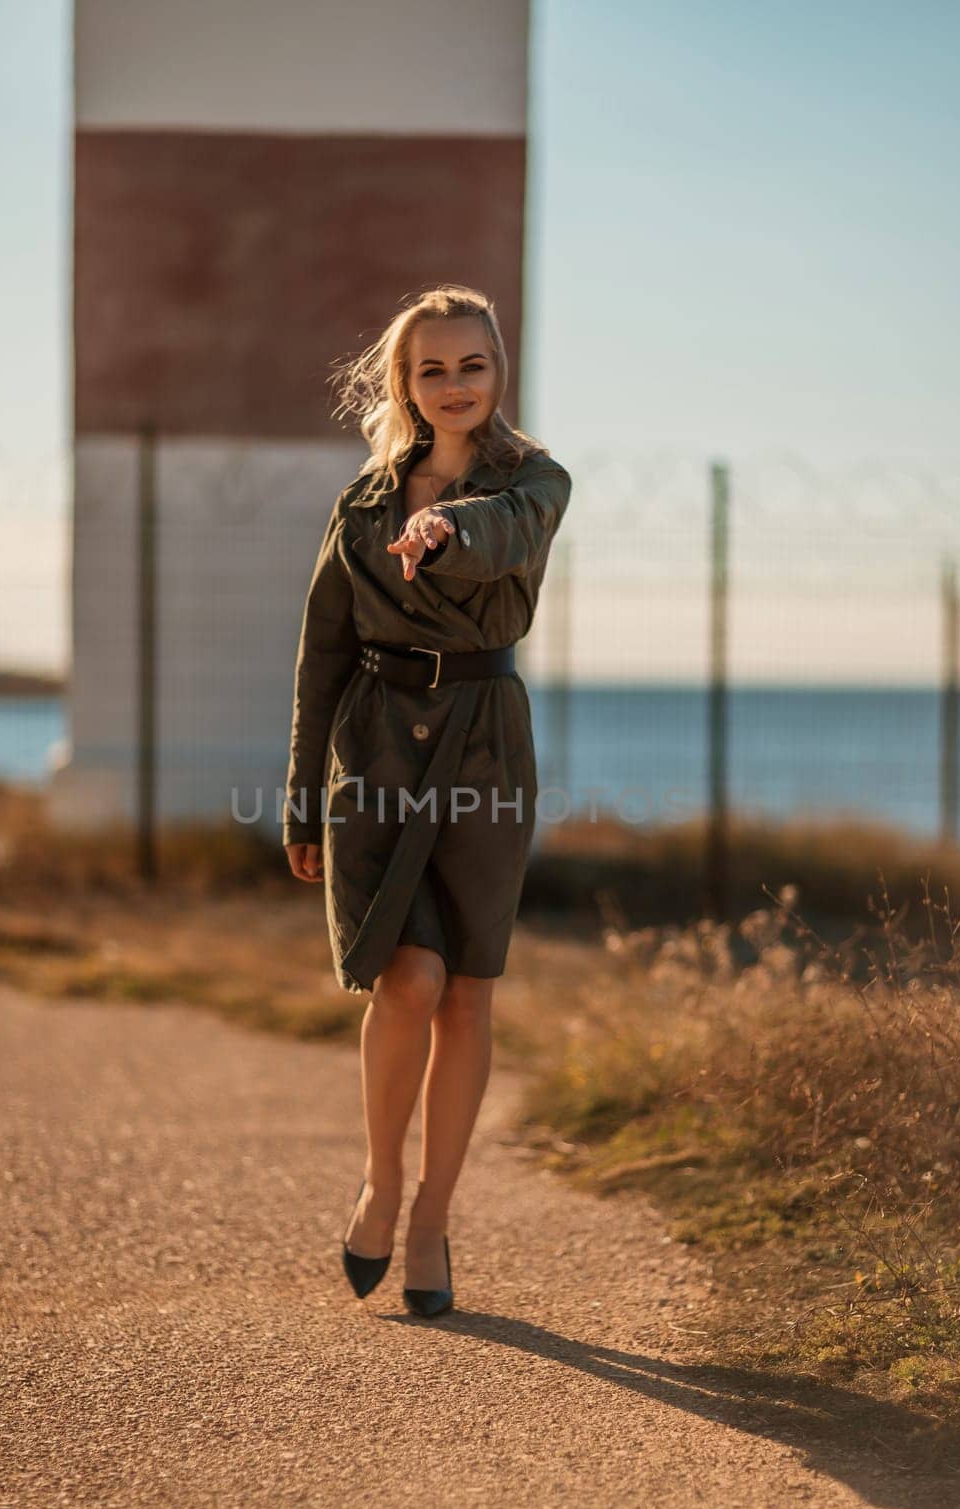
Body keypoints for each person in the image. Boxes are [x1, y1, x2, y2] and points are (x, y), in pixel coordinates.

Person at [283, 284, 572, 1316]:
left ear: (499, 375)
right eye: (431, 368)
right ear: (404, 383)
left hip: (485, 747)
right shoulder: (360, 504)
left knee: (466, 989)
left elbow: (505, 531)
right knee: (403, 979)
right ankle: (382, 1180)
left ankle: (434, 1217)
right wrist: (299, 800)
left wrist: (448, 527)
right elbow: (320, 653)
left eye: (472, 366)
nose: (453, 385)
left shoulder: (534, 481)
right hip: (371, 747)